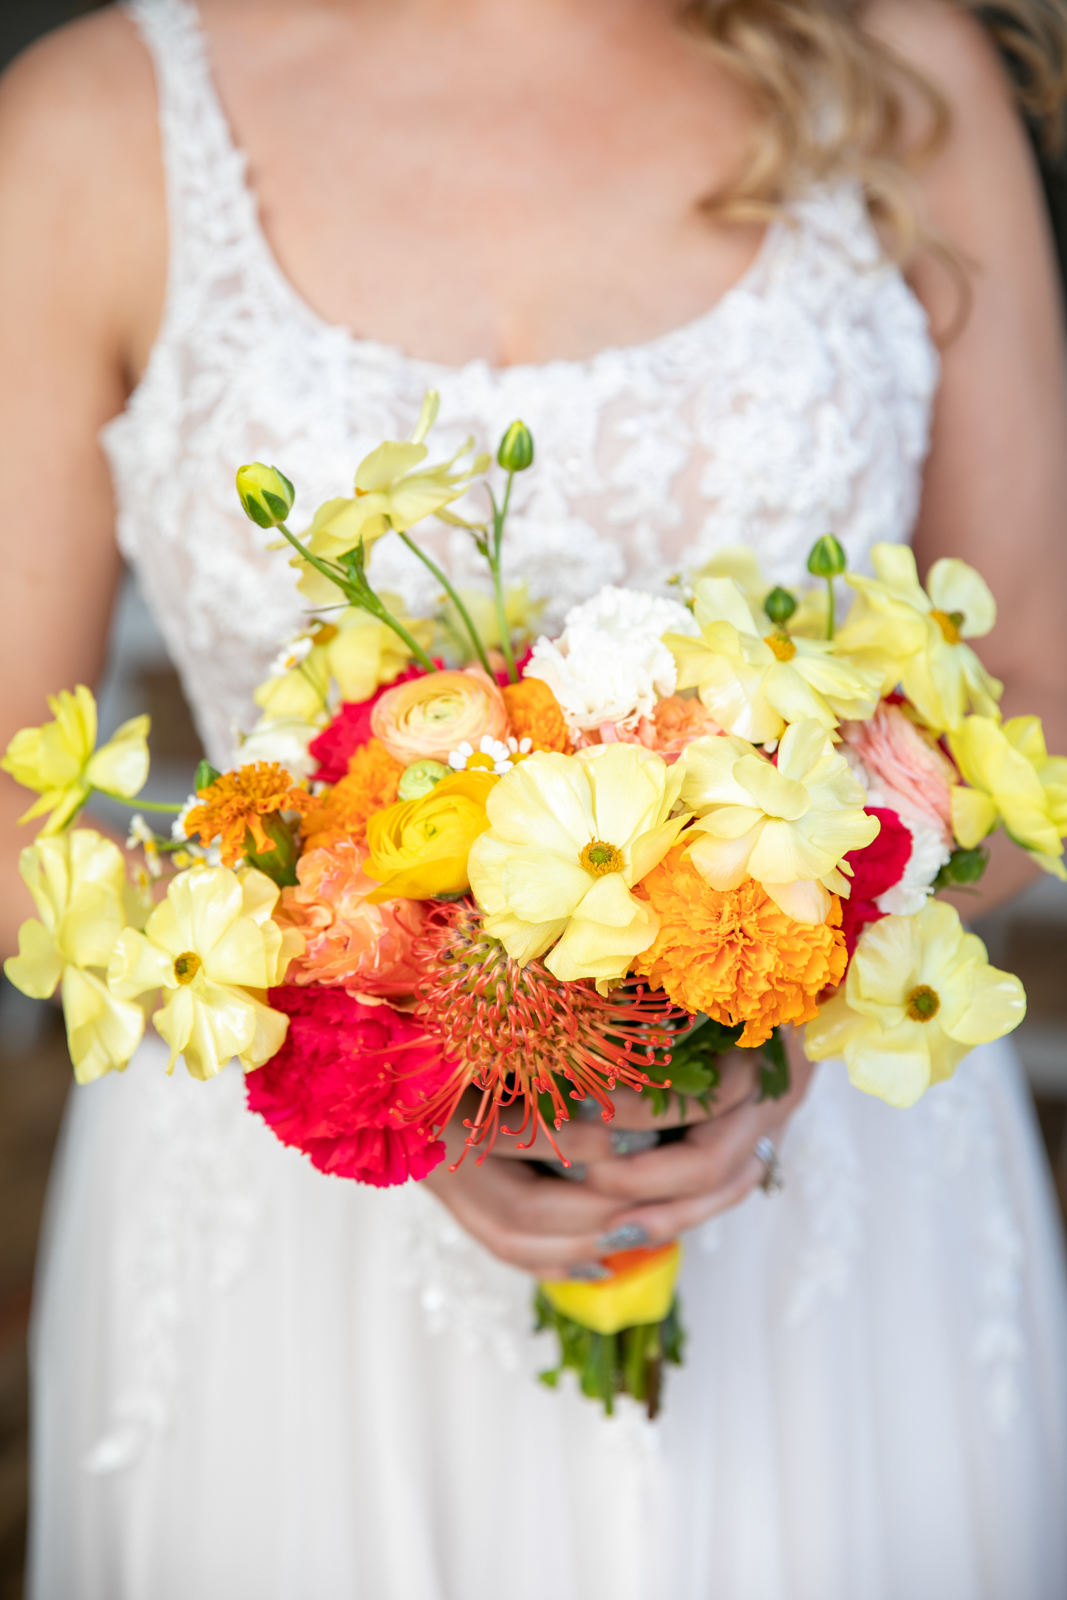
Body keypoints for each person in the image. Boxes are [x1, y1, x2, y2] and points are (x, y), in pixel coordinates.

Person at [1, 0, 1066, 1594]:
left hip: (838, 1196)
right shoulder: (92, 129)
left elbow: (1036, 702)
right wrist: (395, 1052)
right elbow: (16, 797)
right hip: (298, 1238)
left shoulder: (897, 70)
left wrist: (775, 1010)